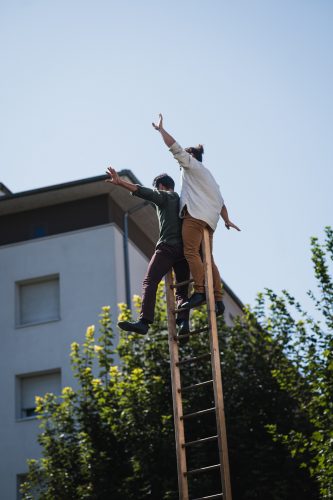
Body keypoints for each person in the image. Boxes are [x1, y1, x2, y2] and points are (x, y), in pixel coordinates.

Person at [152, 114, 240, 313]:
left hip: (194, 217)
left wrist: (161, 131)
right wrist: (226, 220)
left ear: (190, 157)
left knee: (190, 252)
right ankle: (218, 299)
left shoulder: (191, 165)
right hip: (210, 221)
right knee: (208, 258)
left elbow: (174, 147)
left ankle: (200, 291)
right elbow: (221, 201)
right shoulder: (209, 176)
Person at [105, 167, 190, 335]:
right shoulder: (183, 201)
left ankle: (144, 322)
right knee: (182, 291)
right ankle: (183, 324)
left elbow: (143, 192)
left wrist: (120, 182)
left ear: (162, 186)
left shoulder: (166, 196)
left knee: (149, 282)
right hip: (184, 252)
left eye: (156, 187)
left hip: (167, 247)